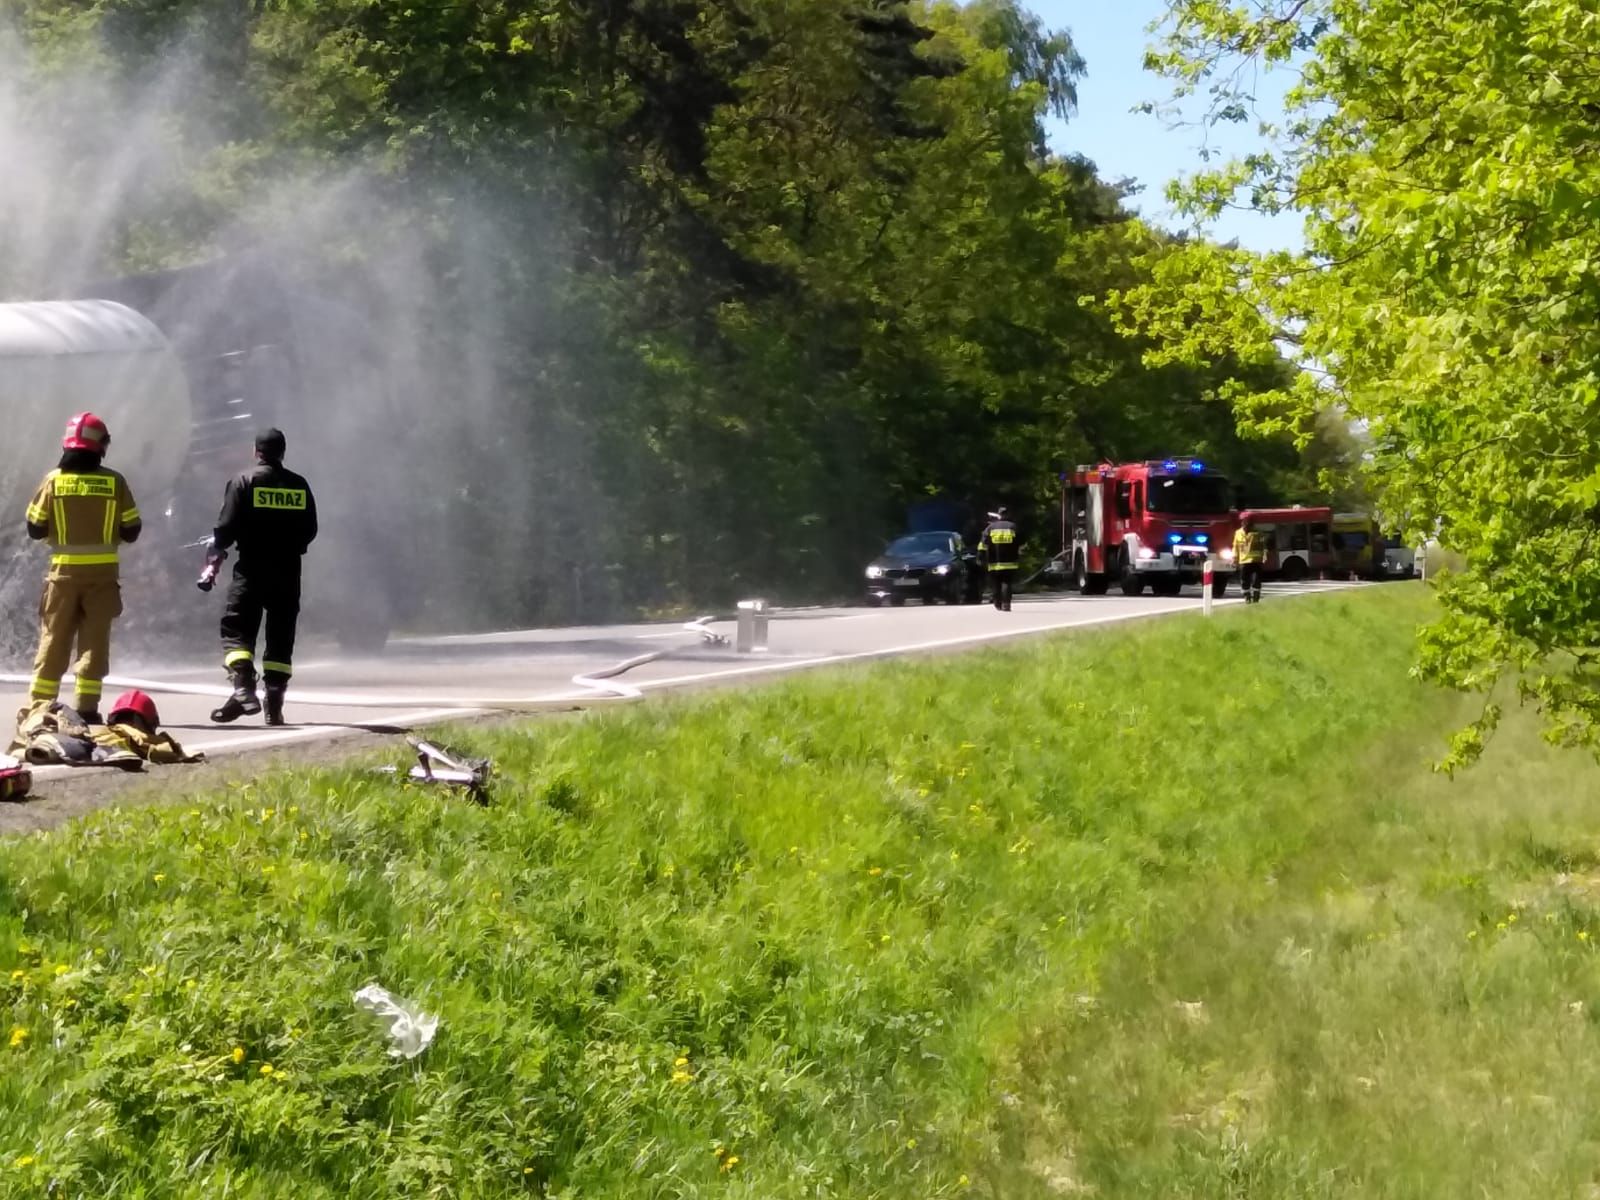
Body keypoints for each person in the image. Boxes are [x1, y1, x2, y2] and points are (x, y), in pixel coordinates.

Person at [22, 412, 141, 722]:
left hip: (62, 576)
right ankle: (87, 709)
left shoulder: (54, 481)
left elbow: (34, 527)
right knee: (94, 643)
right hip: (103, 578)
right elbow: (132, 529)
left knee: (53, 640)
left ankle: (40, 708)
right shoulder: (114, 482)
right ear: (101, 445)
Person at [209, 428, 318, 726]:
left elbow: (226, 526)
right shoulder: (299, 485)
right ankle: (274, 707)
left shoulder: (243, 481)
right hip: (288, 571)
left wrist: (217, 547)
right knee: (281, 640)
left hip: (251, 568)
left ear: (256, 451)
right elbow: (310, 530)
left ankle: (243, 688)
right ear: (282, 452)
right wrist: (291, 546)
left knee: (236, 630)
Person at [980, 506, 1019, 611]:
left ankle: (997, 603)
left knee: (996, 583)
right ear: (1008, 514)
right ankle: (1006, 604)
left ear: (999, 515)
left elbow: (983, 545)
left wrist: (981, 557)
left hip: (993, 562)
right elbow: (1022, 543)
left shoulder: (990, 528)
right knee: (1007, 583)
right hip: (1010, 562)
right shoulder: (1013, 527)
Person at [1233, 516, 1268, 604]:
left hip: (1256, 560)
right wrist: (1234, 559)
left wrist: (1264, 555)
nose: (1246, 528)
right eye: (1244, 526)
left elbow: (1264, 545)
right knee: (1244, 580)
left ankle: (1256, 597)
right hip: (1243, 561)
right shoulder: (1238, 533)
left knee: (1256, 580)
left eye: (1248, 526)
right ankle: (1247, 597)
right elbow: (1235, 546)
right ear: (1242, 524)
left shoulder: (1258, 533)